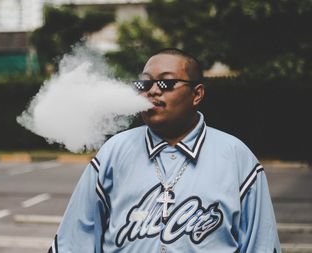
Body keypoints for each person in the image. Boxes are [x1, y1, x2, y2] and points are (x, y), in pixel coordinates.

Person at [48, 48, 281, 252]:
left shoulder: (236, 156)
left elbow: (261, 243)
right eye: (145, 84)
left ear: (197, 94)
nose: (153, 91)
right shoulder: (114, 152)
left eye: (166, 83)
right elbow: (74, 240)